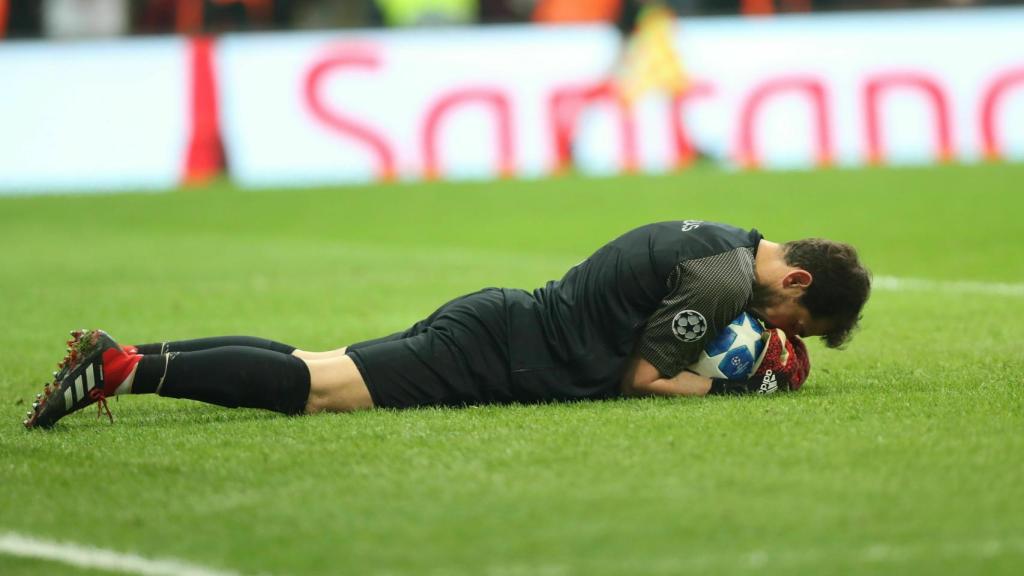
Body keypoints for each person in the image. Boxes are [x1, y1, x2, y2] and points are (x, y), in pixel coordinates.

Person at [23, 220, 870, 429]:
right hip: (508, 354)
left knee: (319, 362)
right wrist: (734, 383)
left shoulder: (720, 240)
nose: (783, 326)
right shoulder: (724, 276)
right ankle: (127, 368)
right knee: (319, 391)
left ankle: (128, 357)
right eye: (798, 318)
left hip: (503, 323)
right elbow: (643, 379)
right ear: (793, 280)